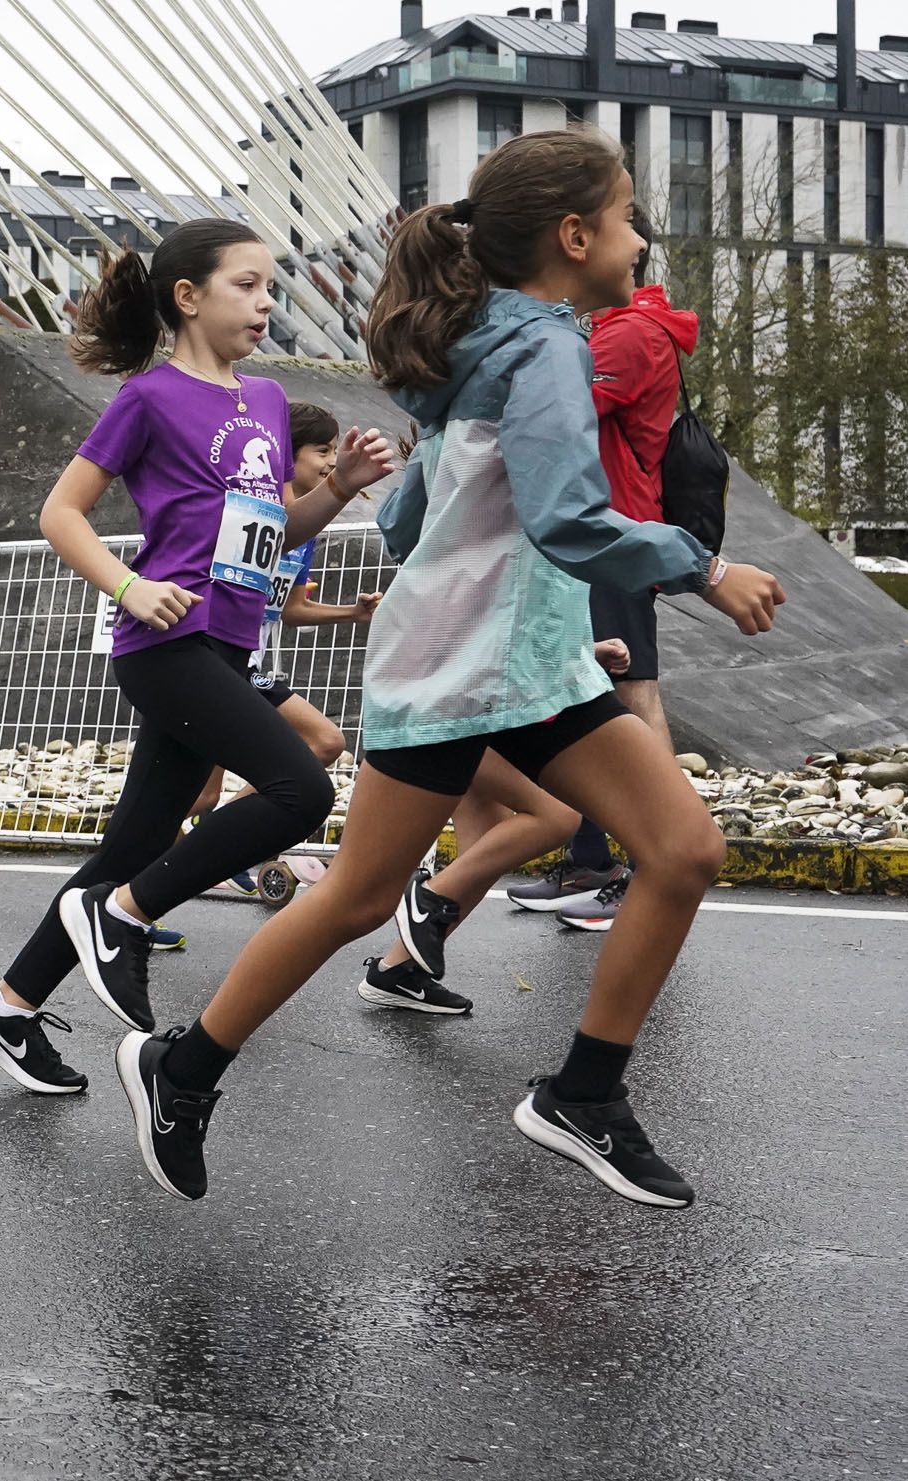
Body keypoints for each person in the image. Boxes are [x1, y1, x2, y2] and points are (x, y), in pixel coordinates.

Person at [116, 130, 787, 1208]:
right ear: (573, 237)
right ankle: (179, 1064)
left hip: (516, 662)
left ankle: (585, 1093)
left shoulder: (487, 345)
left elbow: (419, 521)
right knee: (354, 898)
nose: (638, 235)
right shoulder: (546, 351)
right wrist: (700, 565)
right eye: (625, 216)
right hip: (453, 674)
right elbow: (567, 516)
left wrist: (554, 626)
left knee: (682, 846)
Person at [0, 221, 394, 1098]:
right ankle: (121, 918)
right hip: (165, 640)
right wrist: (127, 586)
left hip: (225, 643)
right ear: (187, 296)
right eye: (247, 285)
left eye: (272, 287)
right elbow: (60, 514)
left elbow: (270, 542)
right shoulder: (147, 398)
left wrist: (334, 487)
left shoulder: (264, 400)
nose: (267, 302)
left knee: (134, 844)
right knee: (298, 788)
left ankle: (5, 1006)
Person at [517, 218, 699, 928]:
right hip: (600, 532)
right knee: (592, 690)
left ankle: (655, 860)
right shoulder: (611, 329)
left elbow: (553, 411)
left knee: (633, 695)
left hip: (611, 530)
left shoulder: (626, 334)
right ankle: (594, 859)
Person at [356, 640, 630, 1016]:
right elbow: (484, 628)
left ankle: (398, 970)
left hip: (470, 709)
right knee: (557, 816)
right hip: (453, 710)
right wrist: (577, 651)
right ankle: (427, 899)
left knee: (487, 845)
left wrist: (583, 650)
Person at [179, 401, 377, 907]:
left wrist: (351, 613)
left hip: (249, 667)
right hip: (218, 660)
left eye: (336, 450)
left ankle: (210, 847)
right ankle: (139, 884)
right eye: (322, 450)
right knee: (201, 791)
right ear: (284, 457)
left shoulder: (302, 534)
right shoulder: (250, 513)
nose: (332, 461)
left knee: (325, 744)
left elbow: (288, 610)